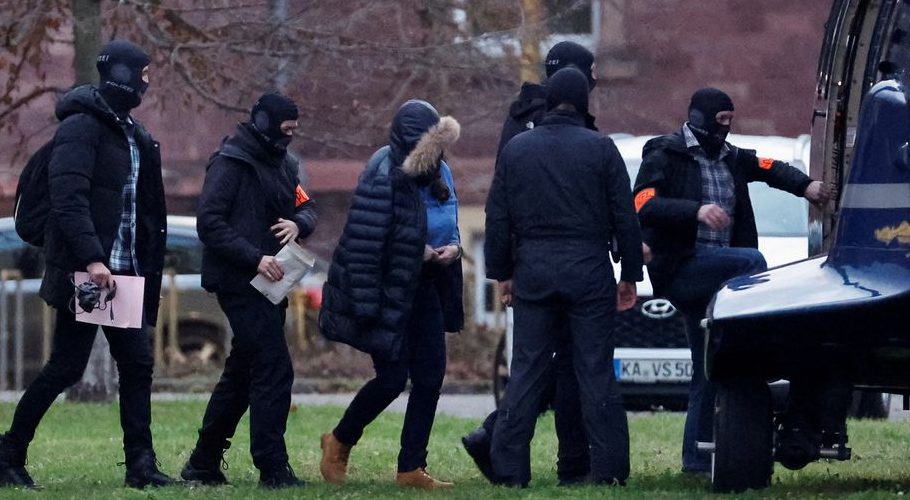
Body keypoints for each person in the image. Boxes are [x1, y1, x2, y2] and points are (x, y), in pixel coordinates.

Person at [632, 87, 834, 474]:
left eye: (731, 121)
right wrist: (696, 211)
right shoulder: (665, 154)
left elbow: (770, 168)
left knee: (706, 371)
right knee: (753, 261)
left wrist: (806, 187)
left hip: (716, 276)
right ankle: (758, 332)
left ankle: (695, 461)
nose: (726, 128)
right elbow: (643, 202)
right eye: (721, 121)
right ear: (701, 118)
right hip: (684, 268)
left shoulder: (733, 158)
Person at [0, 40, 173, 489]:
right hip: (91, 273)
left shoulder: (133, 132)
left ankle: (142, 467)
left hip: (124, 273)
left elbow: (141, 209)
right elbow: (68, 198)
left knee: (136, 365)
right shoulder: (82, 128)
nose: (148, 81)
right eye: (144, 72)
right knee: (67, 367)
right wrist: (93, 259)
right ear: (123, 73)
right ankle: (8, 454)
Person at [484, 67, 644, 487]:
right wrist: (629, 274)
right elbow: (625, 218)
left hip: (534, 270)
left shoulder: (518, 149)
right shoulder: (602, 149)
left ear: (550, 99)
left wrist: (503, 273)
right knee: (594, 372)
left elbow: (497, 217)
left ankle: (509, 470)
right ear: (584, 101)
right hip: (589, 271)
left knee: (527, 371)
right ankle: (609, 469)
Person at [462, 39, 599, 486]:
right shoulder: (545, 125)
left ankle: (500, 441)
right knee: (558, 364)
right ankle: (541, 454)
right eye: (589, 72)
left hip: (532, 263)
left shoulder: (519, 120)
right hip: (549, 264)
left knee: (544, 364)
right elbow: (514, 201)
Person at [318, 100, 462, 490]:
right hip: (386, 291)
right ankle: (339, 440)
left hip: (426, 285)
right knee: (392, 378)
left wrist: (455, 247)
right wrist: (417, 252)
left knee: (431, 376)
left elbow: (449, 220)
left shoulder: (441, 171)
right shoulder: (383, 171)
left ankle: (411, 468)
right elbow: (367, 241)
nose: (436, 155)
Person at [180, 92, 316, 489]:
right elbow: (210, 222)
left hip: (272, 285)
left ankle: (203, 462)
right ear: (264, 122)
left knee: (243, 371)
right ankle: (272, 468)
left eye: (294, 130)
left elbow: (305, 206)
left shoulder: (286, 165)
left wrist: (299, 226)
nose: (289, 137)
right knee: (274, 367)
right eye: (285, 129)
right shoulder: (230, 163)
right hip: (240, 282)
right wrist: (255, 258)